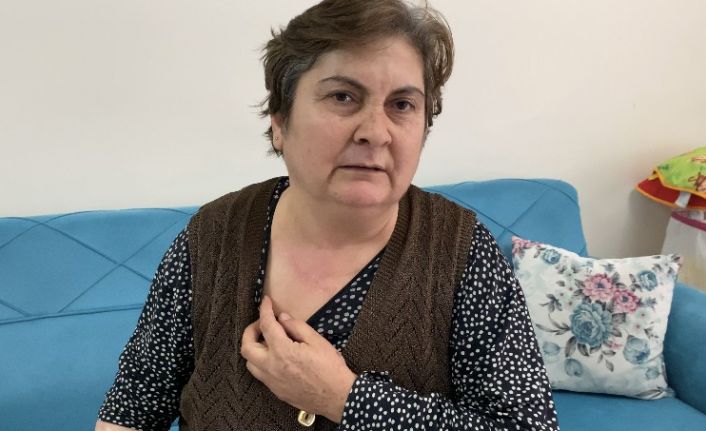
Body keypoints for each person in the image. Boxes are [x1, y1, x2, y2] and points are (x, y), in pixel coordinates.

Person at [96, 0, 560, 430]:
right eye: (343, 97)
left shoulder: (462, 252)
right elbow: (132, 408)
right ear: (280, 122)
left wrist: (346, 398)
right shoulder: (212, 236)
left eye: (402, 105)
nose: (375, 132)